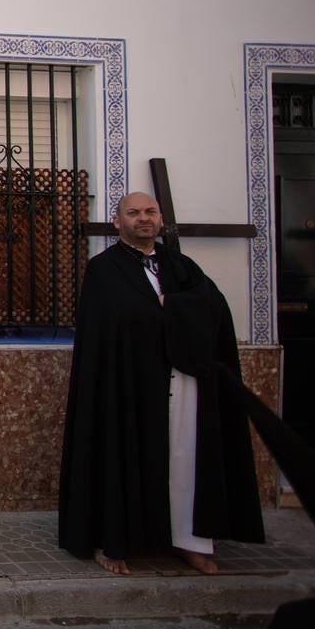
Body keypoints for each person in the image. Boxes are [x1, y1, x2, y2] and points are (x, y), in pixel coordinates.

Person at [58, 191, 264, 575]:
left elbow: (214, 308)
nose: (143, 218)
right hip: (127, 385)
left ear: (160, 219)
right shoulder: (104, 270)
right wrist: (167, 312)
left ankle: (190, 541)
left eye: (150, 212)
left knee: (185, 459)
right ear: (118, 221)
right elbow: (113, 323)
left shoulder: (182, 266)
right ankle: (114, 540)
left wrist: (174, 308)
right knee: (123, 455)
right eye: (133, 213)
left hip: (182, 381)